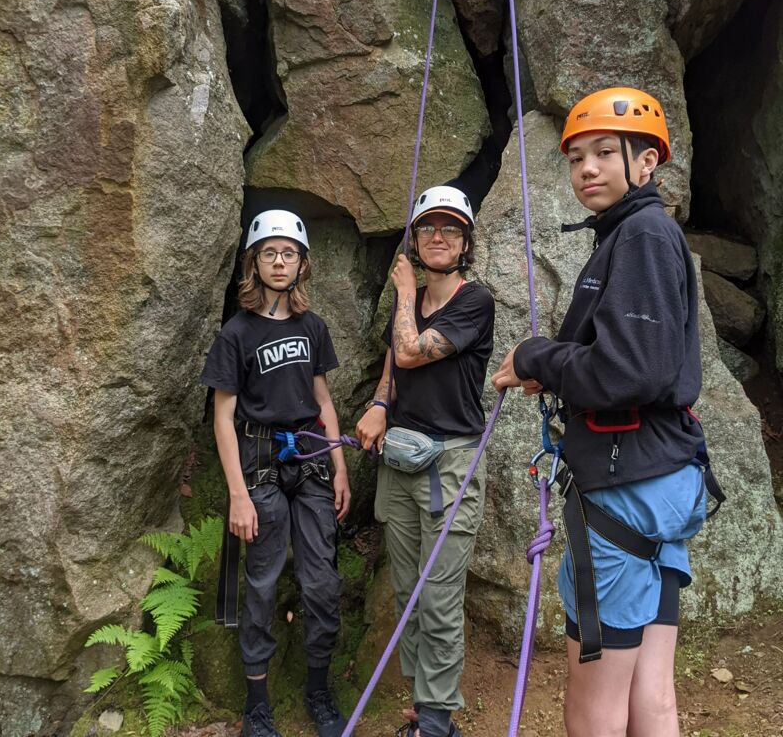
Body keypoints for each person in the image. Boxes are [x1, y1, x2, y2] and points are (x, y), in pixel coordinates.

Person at [492, 87, 717, 737]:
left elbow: (631, 369)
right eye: (576, 157)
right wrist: (555, 366)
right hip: (660, 478)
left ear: (646, 162)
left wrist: (537, 356)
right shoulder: (635, 235)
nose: (587, 168)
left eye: (604, 153)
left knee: (594, 706)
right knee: (652, 691)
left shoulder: (641, 235)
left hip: (626, 491)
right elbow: (635, 361)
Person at [200, 210, 352, 737]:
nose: (280, 262)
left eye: (289, 254)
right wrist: (237, 496)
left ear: (303, 264)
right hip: (260, 464)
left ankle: (318, 690)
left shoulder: (313, 327)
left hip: (310, 458)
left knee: (321, 580)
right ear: (255, 263)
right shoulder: (236, 333)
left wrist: (340, 468)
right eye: (270, 253)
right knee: (262, 582)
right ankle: (258, 704)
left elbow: (323, 401)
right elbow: (223, 418)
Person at [356, 186, 495, 737]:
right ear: (415, 239)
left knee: (438, 596)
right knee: (407, 591)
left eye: (450, 228)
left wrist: (405, 292)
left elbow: (412, 351)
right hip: (401, 457)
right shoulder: (408, 302)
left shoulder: (474, 301)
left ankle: (437, 722)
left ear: (465, 243)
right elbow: (394, 362)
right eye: (428, 228)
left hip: (450, 463)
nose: (439, 236)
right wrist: (379, 404)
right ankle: (423, 703)